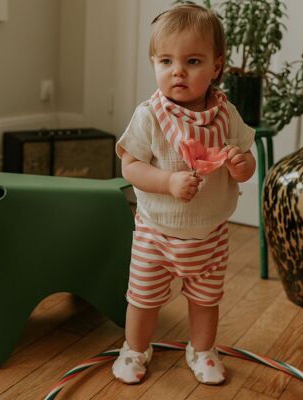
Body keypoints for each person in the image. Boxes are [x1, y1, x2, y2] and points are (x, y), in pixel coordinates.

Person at [112, 4, 256, 385]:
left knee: (206, 301)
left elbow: (247, 159)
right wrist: (168, 182)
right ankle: (135, 349)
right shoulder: (150, 116)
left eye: (193, 60)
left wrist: (242, 165)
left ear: (216, 66)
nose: (177, 71)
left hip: (210, 235)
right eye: (165, 60)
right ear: (154, 64)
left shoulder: (226, 116)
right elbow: (130, 166)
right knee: (142, 300)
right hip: (156, 233)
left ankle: (203, 350)